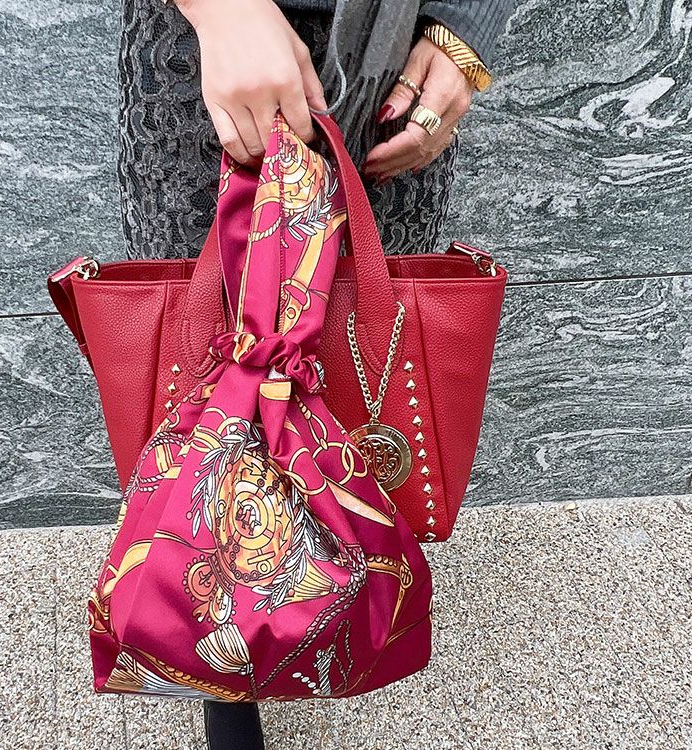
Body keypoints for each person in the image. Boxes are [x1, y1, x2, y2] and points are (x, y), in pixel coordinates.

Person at [116, 1, 514, 747]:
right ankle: (221, 679)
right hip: (212, 59)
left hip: (393, 68)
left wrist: (464, 32)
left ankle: (343, 597)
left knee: (363, 335)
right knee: (206, 388)